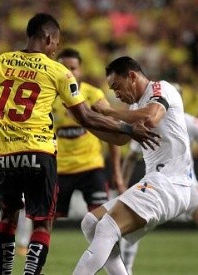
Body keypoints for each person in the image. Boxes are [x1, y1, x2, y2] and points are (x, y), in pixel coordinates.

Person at [0, 13, 159, 275]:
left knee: (7, 218)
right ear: (48, 38)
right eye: (56, 42)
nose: (56, 47)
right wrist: (127, 129)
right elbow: (86, 117)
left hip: (3, 155)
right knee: (41, 222)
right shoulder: (58, 71)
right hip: (39, 152)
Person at [73, 56, 194, 275]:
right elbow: (120, 139)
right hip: (157, 182)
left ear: (132, 76)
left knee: (107, 227)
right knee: (90, 223)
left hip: (170, 182)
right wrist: (85, 121)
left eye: (117, 87)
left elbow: (151, 118)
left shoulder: (160, 89)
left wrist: (109, 111)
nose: (116, 94)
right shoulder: (136, 106)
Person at [14, 48, 126, 256]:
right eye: (64, 68)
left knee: (103, 223)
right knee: (44, 221)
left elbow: (110, 130)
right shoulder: (47, 97)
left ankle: (114, 266)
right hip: (59, 169)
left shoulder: (93, 95)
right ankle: (35, 265)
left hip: (91, 168)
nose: (69, 72)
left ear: (80, 70)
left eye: (73, 68)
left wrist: (117, 172)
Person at [121, 109, 198, 275]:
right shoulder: (146, 125)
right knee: (133, 225)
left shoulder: (191, 123)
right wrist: (122, 184)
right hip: (156, 184)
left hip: (187, 182)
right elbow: (131, 156)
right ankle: (126, 270)